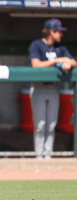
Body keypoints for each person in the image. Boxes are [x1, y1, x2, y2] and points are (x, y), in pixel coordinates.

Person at [28, 18, 77, 159]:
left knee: (51, 125)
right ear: (50, 31)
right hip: (39, 87)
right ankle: (39, 156)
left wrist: (66, 61)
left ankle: (48, 156)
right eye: (58, 31)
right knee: (40, 125)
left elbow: (74, 62)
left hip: (54, 88)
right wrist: (57, 61)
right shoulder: (36, 44)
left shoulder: (60, 47)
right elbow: (35, 64)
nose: (60, 34)